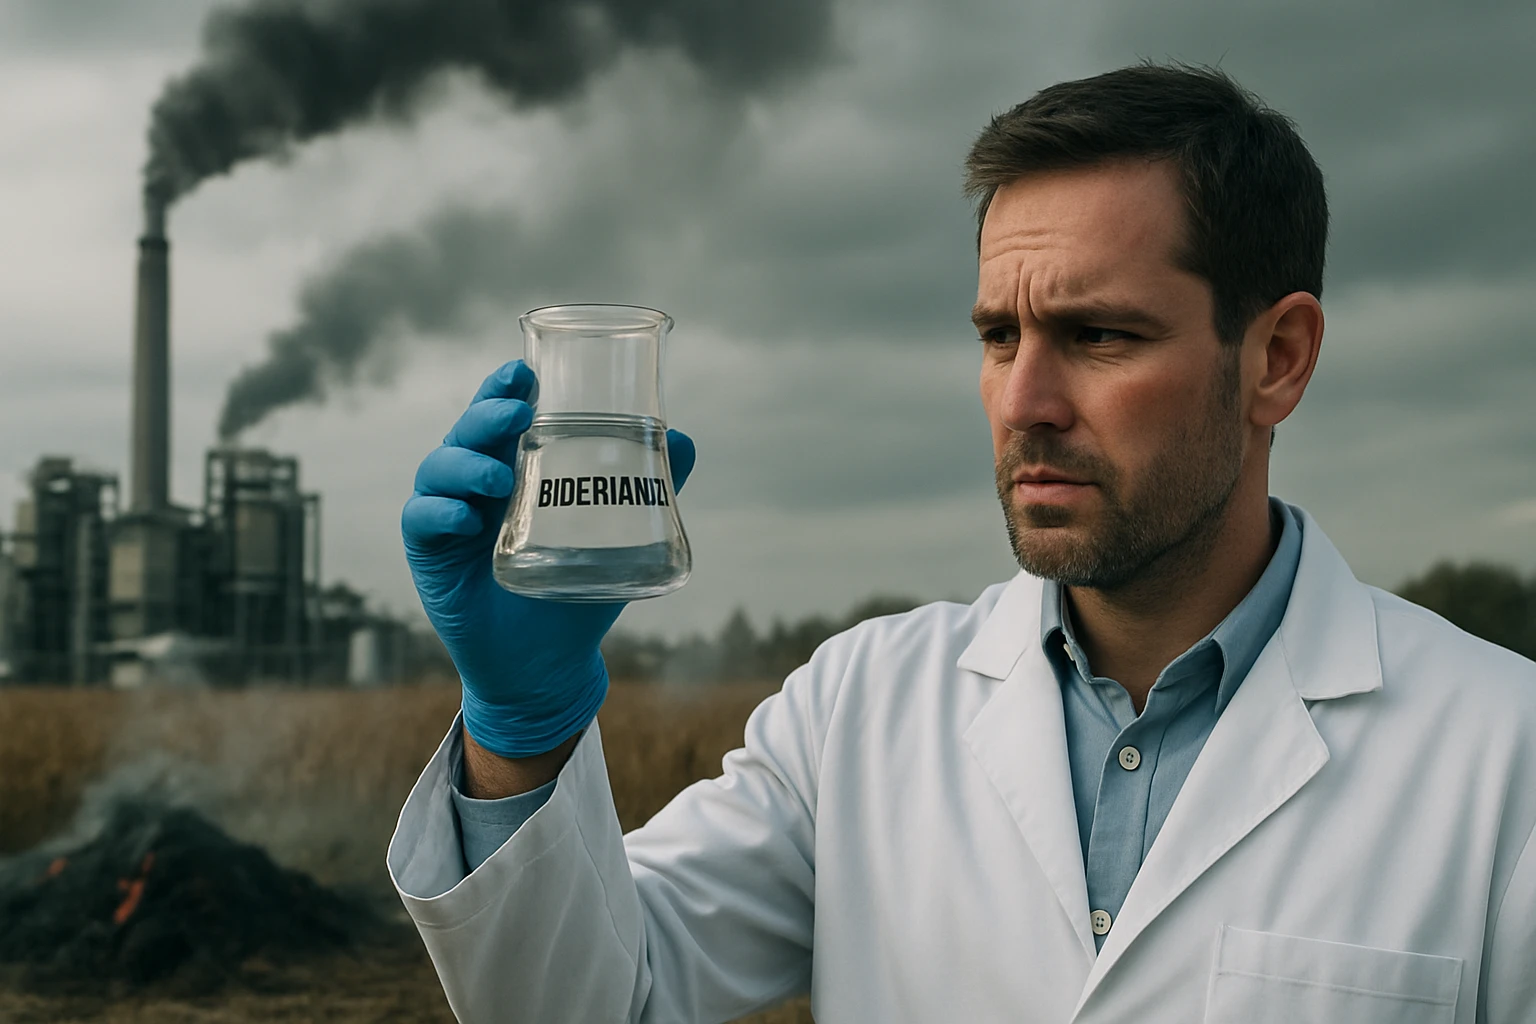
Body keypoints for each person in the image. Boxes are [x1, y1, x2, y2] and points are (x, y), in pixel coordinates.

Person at [388, 63, 1536, 1023]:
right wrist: (522, 734)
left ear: (1277, 359)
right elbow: (592, 1002)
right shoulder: (858, 710)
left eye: (1098, 333)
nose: (1023, 400)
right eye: (998, 335)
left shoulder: (1504, 759)